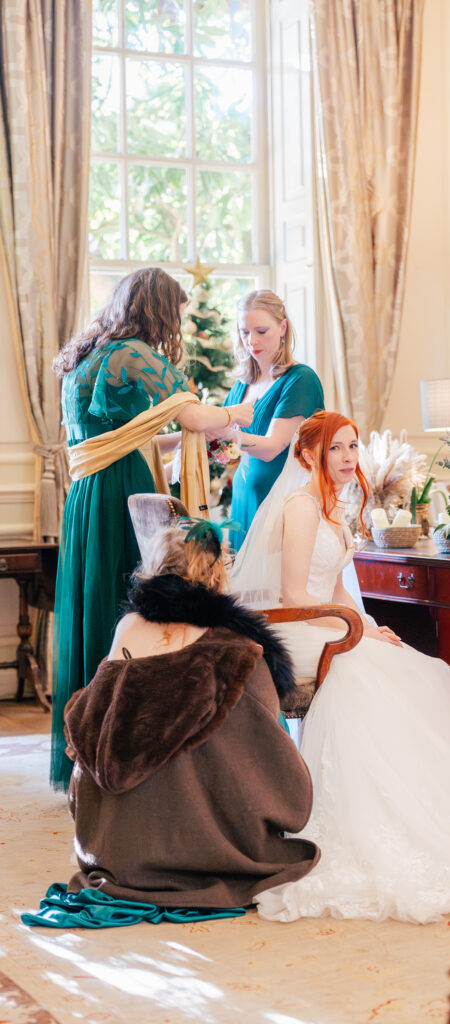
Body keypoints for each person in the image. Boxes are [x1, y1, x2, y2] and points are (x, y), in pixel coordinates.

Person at [230, 411, 450, 924]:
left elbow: (336, 587)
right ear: (308, 456)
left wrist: (364, 624)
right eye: (337, 449)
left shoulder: (333, 507)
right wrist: (350, 631)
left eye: (353, 447)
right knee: (368, 676)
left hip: (327, 621)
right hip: (293, 630)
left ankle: (426, 812)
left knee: (419, 668)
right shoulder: (299, 507)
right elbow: (296, 596)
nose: (349, 458)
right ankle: (362, 814)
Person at [35, 519, 318, 925]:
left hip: (110, 846)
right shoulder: (233, 646)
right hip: (192, 841)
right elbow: (265, 746)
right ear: (216, 570)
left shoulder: (127, 626)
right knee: (240, 721)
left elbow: (98, 712)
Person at [51, 268, 254, 792]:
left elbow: (118, 438)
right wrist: (239, 410)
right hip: (123, 490)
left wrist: (186, 440)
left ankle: (85, 740)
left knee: (95, 602)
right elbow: (192, 417)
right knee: (129, 597)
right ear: (159, 308)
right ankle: (119, 734)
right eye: (175, 313)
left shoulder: (90, 355)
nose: (177, 325)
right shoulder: (135, 352)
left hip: (88, 492)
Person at [217, 290, 324, 550]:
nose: (251, 340)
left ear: (283, 327)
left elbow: (272, 447)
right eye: (244, 332)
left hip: (280, 501)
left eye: (261, 331)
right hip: (243, 498)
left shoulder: (300, 379)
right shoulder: (242, 384)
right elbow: (222, 446)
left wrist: (226, 435)